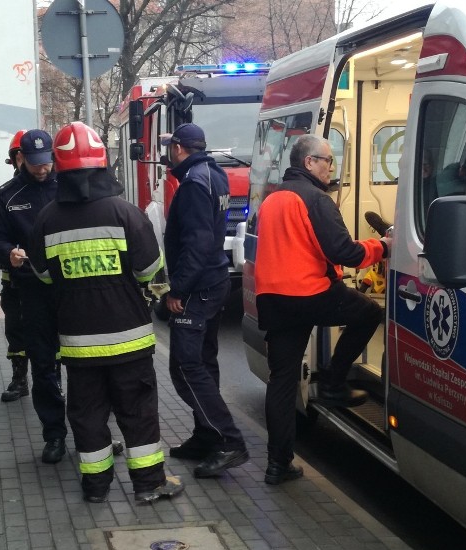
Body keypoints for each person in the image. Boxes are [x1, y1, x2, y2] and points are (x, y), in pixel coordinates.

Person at [28, 121, 184, 504]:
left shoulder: (47, 220)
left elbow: (43, 275)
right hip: (129, 340)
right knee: (138, 413)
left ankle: (95, 488)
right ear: (103, 164)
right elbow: (152, 273)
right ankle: (148, 485)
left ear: (60, 168)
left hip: (79, 347)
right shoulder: (126, 214)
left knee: (86, 416)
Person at [254, 134, 389, 485]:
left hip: (274, 300)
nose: (332, 167)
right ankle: (331, 383)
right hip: (309, 294)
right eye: (328, 160)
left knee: (281, 383)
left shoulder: (273, 199)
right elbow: (345, 252)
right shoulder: (315, 199)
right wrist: (384, 247)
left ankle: (277, 464)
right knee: (368, 314)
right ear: (309, 163)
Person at [161, 123, 249, 478]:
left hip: (198, 287)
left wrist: (177, 290)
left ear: (179, 148)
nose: (169, 153)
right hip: (215, 279)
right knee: (204, 362)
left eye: (171, 147)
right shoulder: (214, 175)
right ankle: (205, 436)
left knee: (184, 365)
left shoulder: (194, 184)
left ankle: (229, 441)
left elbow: (196, 243)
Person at [0, 129, 69, 464]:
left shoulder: (69, 185)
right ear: (22, 159)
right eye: (34, 163)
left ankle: (92, 431)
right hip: (32, 291)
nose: (42, 169)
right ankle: (55, 435)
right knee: (44, 365)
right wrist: (8, 253)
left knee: (82, 366)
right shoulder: (8, 196)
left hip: (70, 290)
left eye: (46, 161)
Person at [0, 130, 30, 403]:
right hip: (16, 282)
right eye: (18, 157)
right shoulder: (6, 197)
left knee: (53, 337)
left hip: (49, 282)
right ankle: (19, 380)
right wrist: (7, 252)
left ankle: (54, 380)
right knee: (16, 333)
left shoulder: (57, 189)